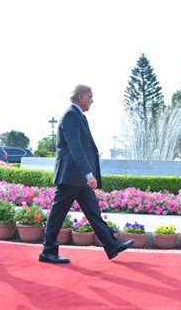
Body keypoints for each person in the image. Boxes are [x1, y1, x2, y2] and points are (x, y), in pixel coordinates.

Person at [39, 84, 134, 264]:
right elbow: (76, 148)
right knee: (58, 213)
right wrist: (88, 173)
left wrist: (87, 174)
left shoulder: (77, 116)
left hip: (77, 178)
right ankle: (48, 251)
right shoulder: (71, 115)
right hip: (70, 176)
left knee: (93, 212)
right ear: (81, 97)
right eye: (90, 96)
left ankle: (111, 245)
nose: (92, 100)